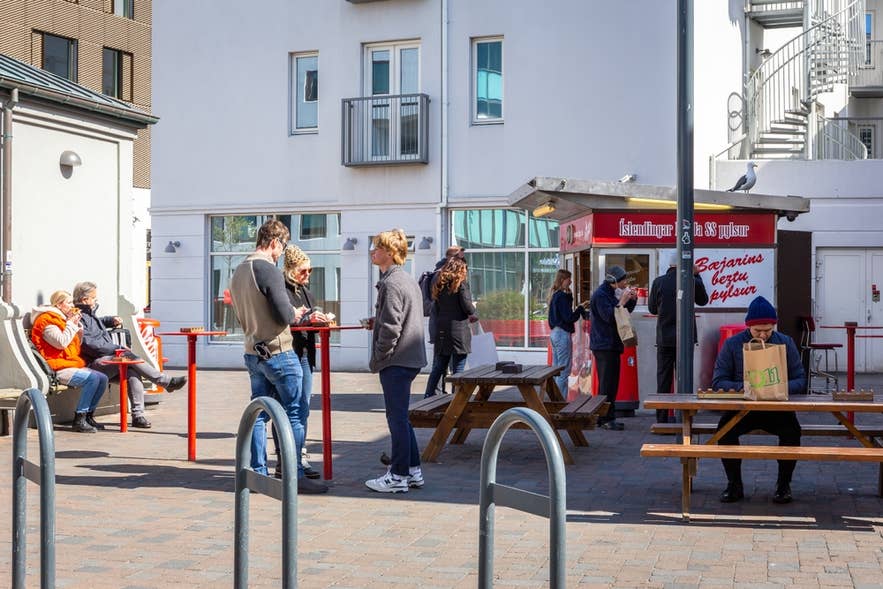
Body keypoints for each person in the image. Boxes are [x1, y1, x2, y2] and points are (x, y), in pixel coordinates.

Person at [228, 220, 327, 494]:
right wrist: (299, 314)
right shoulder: (268, 270)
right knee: (295, 412)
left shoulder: (238, 271)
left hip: (252, 351)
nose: (280, 254)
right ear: (274, 242)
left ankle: (258, 474)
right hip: (278, 351)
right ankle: (294, 475)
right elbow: (285, 314)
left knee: (260, 414)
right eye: (281, 248)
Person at [713, 295, 805, 504]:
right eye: (757, 331)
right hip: (742, 408)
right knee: (724, 432)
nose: (763, 335)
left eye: (768, 330)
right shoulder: (732, 344)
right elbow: (718, 381)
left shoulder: (785, 342)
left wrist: (778, 387)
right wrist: (745, 388)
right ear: (748, 327)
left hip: (777, 409)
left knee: (792, 433)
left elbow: (800, 379)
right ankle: (734, 485)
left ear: (774, 326)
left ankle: (783, 486)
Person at [74, 281, 186, 429]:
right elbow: (89, 344)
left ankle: (138, 415)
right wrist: (117, 349)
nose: (96, 301)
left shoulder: (89, 315)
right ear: (85, 299)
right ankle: (164, 381)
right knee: (128, 357)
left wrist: (109, 320)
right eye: (94, 298)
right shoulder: (79, 317)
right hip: (93, 363)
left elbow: (95, 325)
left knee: (132, 370)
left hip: (104, 360)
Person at [366, 229, 428, 493]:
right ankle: (413, 471)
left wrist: (380, 357)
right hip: (409, 358)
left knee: (397, 418)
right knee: (402, 417)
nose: (372, 251)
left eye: (377, 248)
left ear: (389, 253)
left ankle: (399, 475)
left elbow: (392, 327)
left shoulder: (392, 283)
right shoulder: (406, 279)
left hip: (397, 359)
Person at [30, 290, 109, 433]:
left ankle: (89, 416)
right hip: (57, 367)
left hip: (70, 363)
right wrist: (71, 325)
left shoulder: (62, 319)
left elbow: (74, 346)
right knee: (92, 379)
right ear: (60, 305)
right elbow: (60, 343)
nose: (73, 305)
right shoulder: (47, 321)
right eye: (69, 302)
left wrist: (77, 328)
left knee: (102, 378)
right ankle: (79, 418)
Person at [279, 244, 324, 479]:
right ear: (290, 269)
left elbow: (309, 317)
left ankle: (300, 454)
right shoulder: (282, 291)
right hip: (290, 352)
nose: (307, 275)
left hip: (306, 353)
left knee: (304, 407)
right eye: (303, 271)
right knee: (292, 407)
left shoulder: (306, 291)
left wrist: (319, 319)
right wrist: (307, 317)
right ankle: (289, 458)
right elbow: (283, 320)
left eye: (310, 271)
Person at [648, 253, 709, 422]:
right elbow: (704, 301)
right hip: (685, 338)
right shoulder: (691, 281)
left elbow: (652, 309)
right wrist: (697, 275)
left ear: (670, 265)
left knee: (664, 379)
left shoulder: (658, 282)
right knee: (684, 378)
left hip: (664, 339)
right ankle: (683, 417)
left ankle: (661, 419)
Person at [589, 265, 637, 430]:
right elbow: (610, 317)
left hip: (611, 344)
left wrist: (632, 300)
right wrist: (622, 301)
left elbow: (623, 313)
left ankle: (609, 416)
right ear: (614, 280)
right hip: (603, 345)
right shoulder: (600, 295)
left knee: (612, 383)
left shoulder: (610, 293)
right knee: (607, 384)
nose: (625, 282)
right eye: (623, 280)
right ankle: (604, 418)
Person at [423, 257, 477, 398]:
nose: (466, 271)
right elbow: (468, 308)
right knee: (458, 368)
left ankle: (428, 395)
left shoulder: (439, 284)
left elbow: (436, 307)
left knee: (439, 367)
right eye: (464, 269)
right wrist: (474, 306)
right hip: (458, 331)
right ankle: (457, 399)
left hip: (442, 330)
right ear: (460, 269)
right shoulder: (461, 284)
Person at [547, 269, 589, 398]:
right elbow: (569, 317)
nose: (571, 281)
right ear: (562, 280)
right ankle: (560, 402)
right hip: (562, 334)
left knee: (556, 370)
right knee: (564, 371)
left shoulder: (555, 295)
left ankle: (554, 400)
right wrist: (580, 308)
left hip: (554, 333)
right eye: (568, 279)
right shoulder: (562, 297)